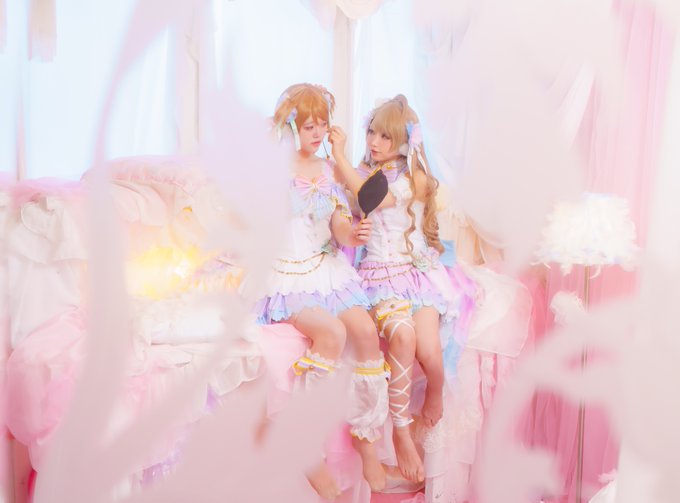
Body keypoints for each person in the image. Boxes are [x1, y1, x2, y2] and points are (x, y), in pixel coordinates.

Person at [254, 83, 390, 496]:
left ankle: (366, 435)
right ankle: (304, 444)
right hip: (288, 273)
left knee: (365, 330)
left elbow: (339, 228)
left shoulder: (329, 170)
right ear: (292, 127)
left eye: (322, 125)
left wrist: (355, 233)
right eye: (308, 125)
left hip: (326, 269)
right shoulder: (271, 170)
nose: (317, 133)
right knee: (332, 332)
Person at [329, 95, 460, 484]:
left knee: (430, 352)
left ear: (404, 141)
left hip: (417, 275)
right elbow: (347, 202)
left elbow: (370, 196)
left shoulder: (412, 179)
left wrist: (338, 157)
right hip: (379, 275)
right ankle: (401, 431)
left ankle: (435, 392)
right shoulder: (358, 172)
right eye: (372, 132)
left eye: (386, 136)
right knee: (403, 337)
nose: (375, 142)